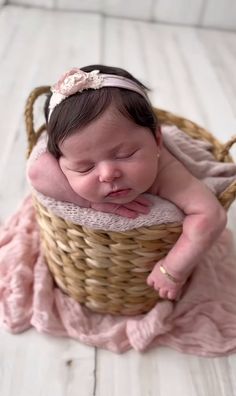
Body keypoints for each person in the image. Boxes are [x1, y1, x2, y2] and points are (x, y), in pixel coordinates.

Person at [27, 64, 227, 301]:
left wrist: (173, 269)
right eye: (85, 167)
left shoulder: (167, 172)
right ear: (60, 161)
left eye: (125, 154)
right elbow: (36, 172)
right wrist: (89, 203)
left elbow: (210, 215)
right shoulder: (54, 161)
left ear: (157, 140)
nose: (108, 174)